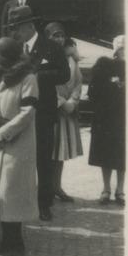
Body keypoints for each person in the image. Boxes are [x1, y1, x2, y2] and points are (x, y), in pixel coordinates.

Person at [5, 5, 69, 221]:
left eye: (18, 28)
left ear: (30, 26)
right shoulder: (14, 48)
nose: (15, 33)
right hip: (19, 112)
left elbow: (64, 74)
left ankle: (44, 204)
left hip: (43, 113)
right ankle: (24, 201)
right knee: (21, 159)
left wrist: (37, 76)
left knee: (43, 159)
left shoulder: (51, 47)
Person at [0, 37, 39, 256]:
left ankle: (17, 243)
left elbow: (27, 113)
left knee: (11, 194)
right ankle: (6, 239)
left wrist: (3, 133)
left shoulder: (28, 79)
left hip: (17, 144)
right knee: (0, 195)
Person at [45, 22, 83, 203]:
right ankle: (45, 188)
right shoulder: (46, 57)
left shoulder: (71, 58)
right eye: (55, 36)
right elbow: (45, 84)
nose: (59, 39)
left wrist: (73, 101)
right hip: (52, 109)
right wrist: (61, 102)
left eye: (61, 36)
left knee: (61, 152)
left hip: (67, 111)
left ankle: (57, 186)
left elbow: (78, 82)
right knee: (48, 151)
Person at [88, 35, 125, 206]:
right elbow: (93, 92)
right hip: (108, 117)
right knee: (106, 154)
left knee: (123, 154)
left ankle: (120, 190)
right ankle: (106, 189)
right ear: (116, 50)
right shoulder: (104, 66)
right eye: (121, 49)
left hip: (125, 117)